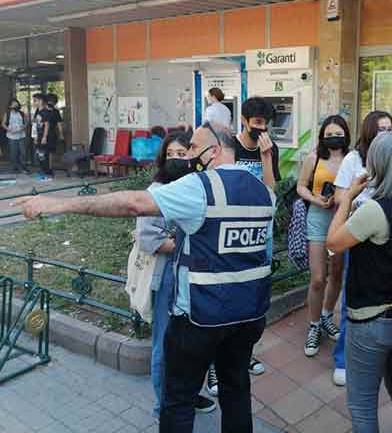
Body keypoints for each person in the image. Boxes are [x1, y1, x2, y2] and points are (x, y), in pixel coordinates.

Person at [16, 122, 276, 433]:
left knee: (178, 399)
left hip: (199, 318)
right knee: (236, 391)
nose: (188, 154)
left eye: (194, 147)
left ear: (215, 151)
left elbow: (133, 203)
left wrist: (57, 203)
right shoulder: (263, 190)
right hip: (248, 315)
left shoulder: (201, 187)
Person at [327, 133, 392, 433]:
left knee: (362, 403)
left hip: (373, 319)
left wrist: (346, 197)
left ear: (380, 166)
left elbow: (334, 242)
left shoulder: (376, 210)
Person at [205, 97, 278, 395]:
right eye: (257, 122)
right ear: (245, 121)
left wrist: (267, 158)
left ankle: (242, 355)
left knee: (249, 295)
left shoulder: (268, 148)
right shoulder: (228, 147)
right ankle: (212, 366)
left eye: (265, 123)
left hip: (259, 233)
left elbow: (271, 191)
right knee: (223, 295)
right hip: (229, 233)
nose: (261, 128)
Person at [140, 131, 216, 418]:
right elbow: (149, 238)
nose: (175, 159)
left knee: (191, 340)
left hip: (194, 276)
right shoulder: (155, 190)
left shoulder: (197, 187)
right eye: (170, 154)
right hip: (168, 276)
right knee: (163, 343)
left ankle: (187, 395)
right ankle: (163, 405)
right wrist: (187, 243)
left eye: (181, 154)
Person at [331, 110, 392, 387]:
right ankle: (342, 359)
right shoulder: (353, 159)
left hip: (389, 234)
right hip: (358, 234)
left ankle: (379, 354)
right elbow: (338, 196)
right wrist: (358, 202)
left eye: (390, 128)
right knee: (352, 296)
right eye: (381, 129)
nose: (386, 133)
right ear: (369, 131)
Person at [297, 115, 350, 357]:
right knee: (318, 277)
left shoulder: (353, 159)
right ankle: (314, 324)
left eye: (337, 134)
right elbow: (301, 186)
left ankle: (328, 315)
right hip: (318, 219)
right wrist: (314, 199)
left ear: (346, 134)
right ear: (322, 137)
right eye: (328, 135)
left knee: (337, 273)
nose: (333, 138)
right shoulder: (314, 157)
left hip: (342, 220)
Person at [2, 99, 28, 174]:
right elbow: (3, 124)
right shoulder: (7, 113)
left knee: (23, 152)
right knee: (14, 152)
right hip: (11, 136)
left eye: (17, 104)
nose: (16, 105)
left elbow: (26, 122)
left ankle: (23, 167)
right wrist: (9, 129)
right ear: (10, 106)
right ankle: (15, 167)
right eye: (14, 104)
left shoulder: (22, 113)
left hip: (21, 135)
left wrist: (22, 128)